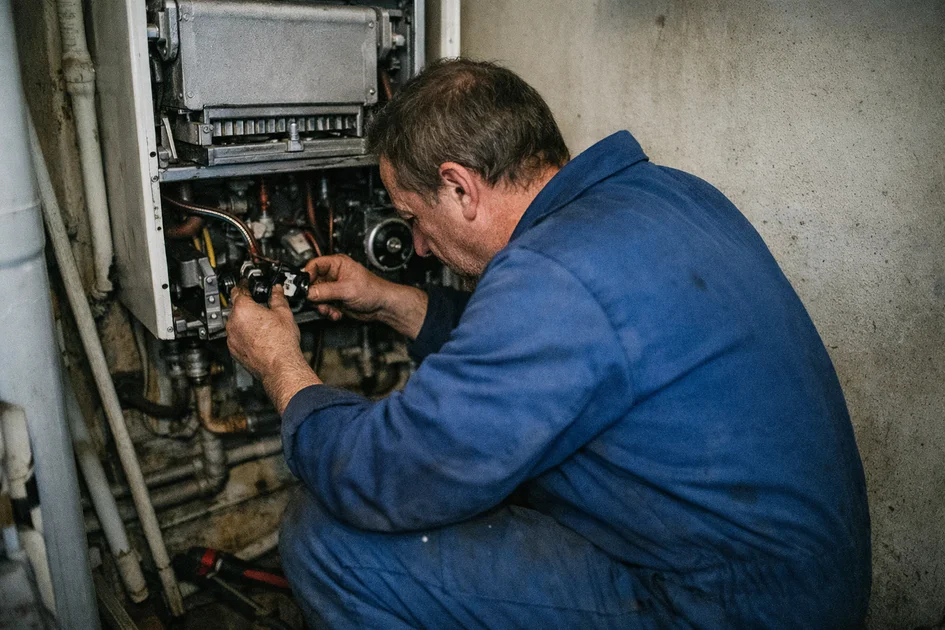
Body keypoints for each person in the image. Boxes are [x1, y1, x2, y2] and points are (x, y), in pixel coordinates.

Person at [225, 59, 871, 628]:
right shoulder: (664, 195)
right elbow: (549, 352)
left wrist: (282, 367)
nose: (417, 245)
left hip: (721, 607)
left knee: (325, 538)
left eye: (414, 218)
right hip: (798, 581)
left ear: (459, 187)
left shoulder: (552, 276)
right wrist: (394, 302)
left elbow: (389, 474)